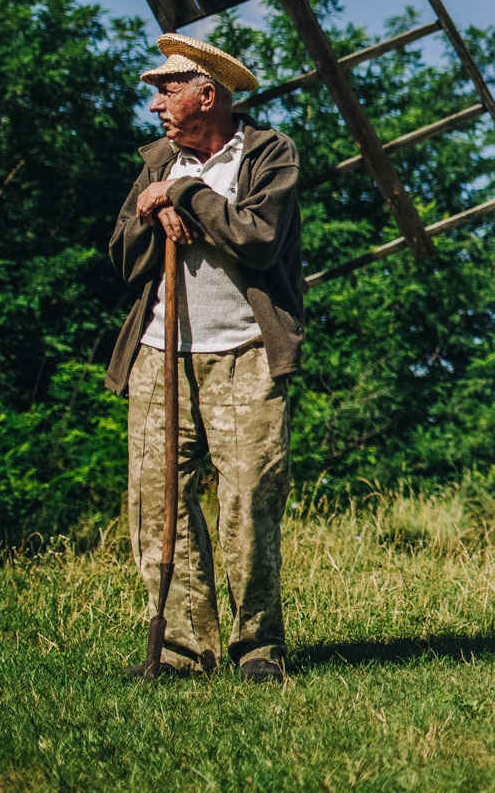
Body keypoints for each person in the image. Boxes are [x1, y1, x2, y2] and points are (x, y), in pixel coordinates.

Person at [106, 33, 303, 681]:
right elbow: (121, 255)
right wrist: (152, 211)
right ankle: (183, 649)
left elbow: (258, 238)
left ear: (206, 93)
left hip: (245, 354)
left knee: (248, 500)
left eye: (167, 89)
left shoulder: (269, 153)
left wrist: (185, 196)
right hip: (160, 354)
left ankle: (257, 647)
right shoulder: (158, 159)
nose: (157, 103)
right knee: (157, 503)